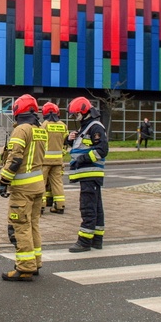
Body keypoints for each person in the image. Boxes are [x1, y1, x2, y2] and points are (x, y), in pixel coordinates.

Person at [0, 95, 47, 281]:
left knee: (20, 226)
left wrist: (4, 181)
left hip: (23, 188)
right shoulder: (40, 129)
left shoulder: (20, 130)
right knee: (33, 224)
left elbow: (15, 158)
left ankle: (25, 267)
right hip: (38, 186)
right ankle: (35, 262)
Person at [64, 97, 109, 252]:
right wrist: (69, 140)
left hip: (90, 173)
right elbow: (82, 145)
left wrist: (82, 160)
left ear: (83, 112)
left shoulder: (95, 127)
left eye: (75, 115)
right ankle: (96, 240)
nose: (74, 118)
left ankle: (84, 242)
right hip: (88, 175)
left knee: (88, 208)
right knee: (96, 207)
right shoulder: (87, 128)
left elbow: (102, 150)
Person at [41, 102, 68, 215]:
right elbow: (66, 143)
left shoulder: (44, 125)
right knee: (57, 182)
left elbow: (40, 142)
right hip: (58, 160)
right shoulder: (63, 125)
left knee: (41, 182)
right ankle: (60, 205)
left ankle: (41, 206)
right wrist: (62, 154)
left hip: (44, 160)